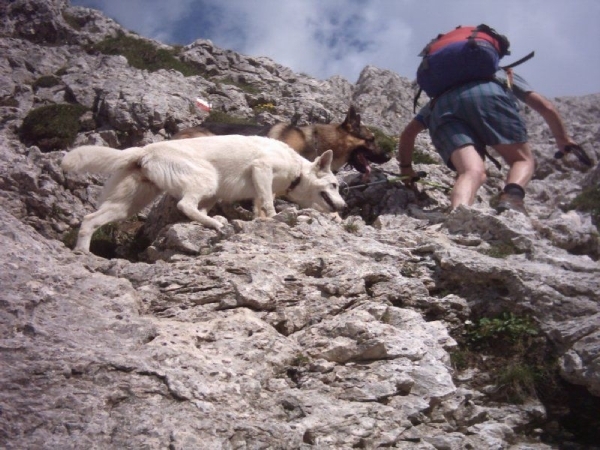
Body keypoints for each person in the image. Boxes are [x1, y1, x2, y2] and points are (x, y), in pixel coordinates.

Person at [397, 69, 578, 214]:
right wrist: (562, 137)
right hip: (489, 95)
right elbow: (545, 106)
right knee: (521, 159)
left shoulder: (438, 98)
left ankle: (458, 215)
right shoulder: (499, 73)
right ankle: (511, 197)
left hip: (443, 110)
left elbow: (408, 135)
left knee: (471, 171)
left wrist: (406, 169)